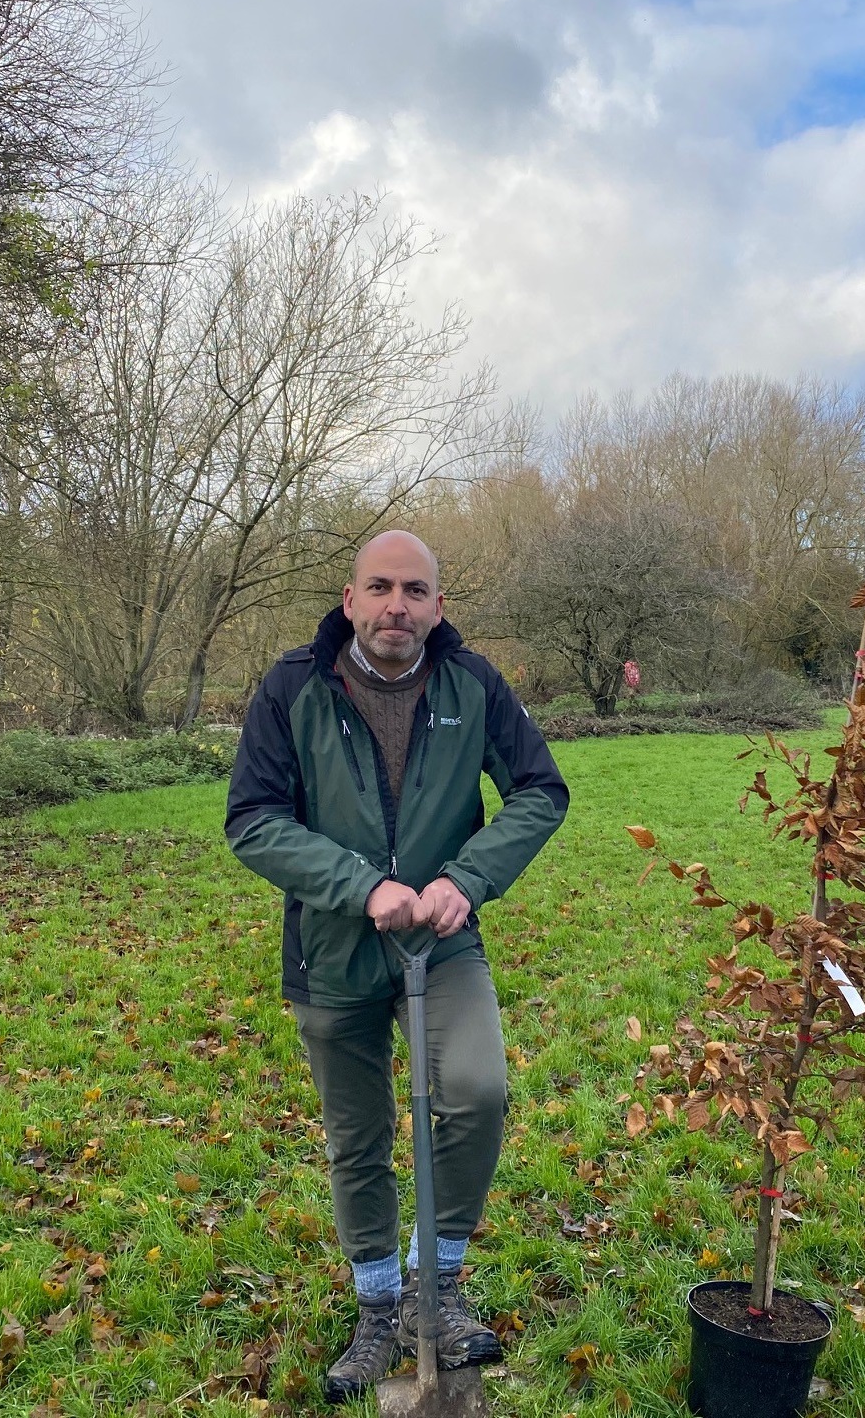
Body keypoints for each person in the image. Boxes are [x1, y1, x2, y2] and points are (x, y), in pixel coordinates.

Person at [223, 530, 568, 1403]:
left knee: (478, 1090)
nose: (396, 607)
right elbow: (254, 820)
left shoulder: (474, 684)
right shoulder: (292, 687)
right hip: (335, 947)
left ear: (437, 606)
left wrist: (467, 878)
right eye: (379, 587)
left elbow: (541, 791)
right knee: (360, 1138)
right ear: (350, 599)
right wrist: (363, 886)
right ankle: (379, 1307)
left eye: (415, 591)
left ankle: (436, 1290)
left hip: (442, 939)